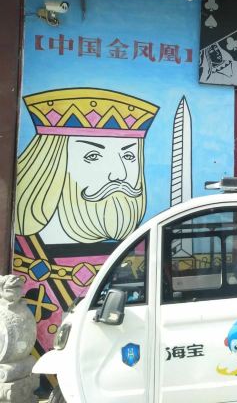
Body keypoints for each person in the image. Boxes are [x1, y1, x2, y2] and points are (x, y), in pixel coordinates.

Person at [11, 87, 158, 366]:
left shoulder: (140, 249)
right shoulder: (20, 258)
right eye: (93, 156)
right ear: (49, 166)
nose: (119, 174)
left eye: (128, 157)